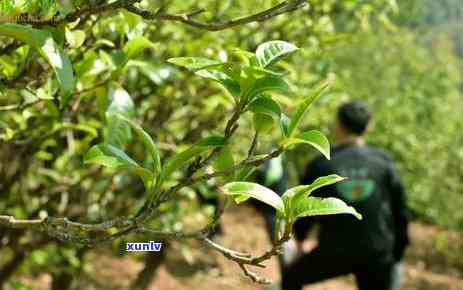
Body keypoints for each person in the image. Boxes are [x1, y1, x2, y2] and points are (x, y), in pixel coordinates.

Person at [281, 101, 410, 290]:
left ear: (338, 126)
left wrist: (300, 241)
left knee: (291, 279)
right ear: (368, 127)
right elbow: (401, 209)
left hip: (334, 251)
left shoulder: (321, 163)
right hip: (376, 251)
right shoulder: (384, 161)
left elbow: (304, 207)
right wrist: (397, 251)